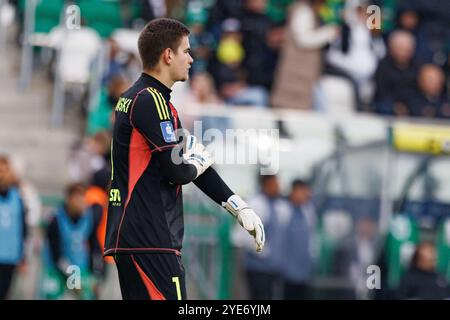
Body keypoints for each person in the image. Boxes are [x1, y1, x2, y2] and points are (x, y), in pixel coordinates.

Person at [104, 18, 265, 300]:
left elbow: (187, 163)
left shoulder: (151, 101)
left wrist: (238, 206)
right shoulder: (150, 100)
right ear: (168, 55)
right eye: (186, 51)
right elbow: (178, 171)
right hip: (150, 239)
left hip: (139, 238)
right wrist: (197, 162)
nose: (191, 59)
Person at [43, 183, 104, 300]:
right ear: (69, 199)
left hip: (80, 268)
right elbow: (56, 255)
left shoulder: (89, 219)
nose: (82, 203)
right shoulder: (55, 220)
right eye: (78, 198)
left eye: (84, 198)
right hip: (57, 269)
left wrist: (96, 276)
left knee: (88, 295)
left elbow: (94, 247)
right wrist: (73, 278)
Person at [233, 175, 290, 299]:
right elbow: (242, 236)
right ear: (267, 184)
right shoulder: (256, 203)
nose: (278, 187)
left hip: (271, 268)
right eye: (276, 183)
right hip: (257, 267)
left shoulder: (277, 205)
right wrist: (264, 252)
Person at [281, 179, 315, 300]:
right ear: (294, 191)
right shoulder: (283, 209)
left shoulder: (308, 211)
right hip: (285, 273)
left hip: (304, 271)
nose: (306, 195)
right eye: (303, 191)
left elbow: (311, 239)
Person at [0, 156, 27, 300]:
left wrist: (23, 256)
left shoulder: (17, 198)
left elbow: (23, 228)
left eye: (4, 171)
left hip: (10, 256)